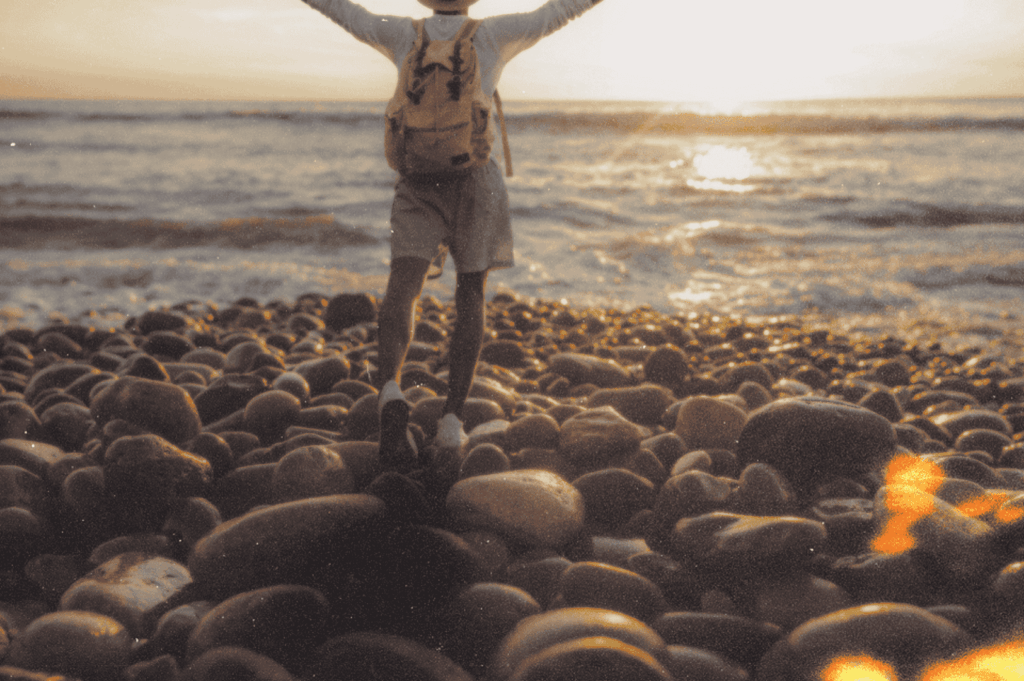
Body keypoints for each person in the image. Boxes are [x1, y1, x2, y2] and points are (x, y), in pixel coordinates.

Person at [299, 0, 605, 468]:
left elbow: (344, 11)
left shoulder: (404, 35)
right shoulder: (494, 34)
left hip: (418, 179)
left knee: (402, 288)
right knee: (470, 295)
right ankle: (451, 422)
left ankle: (390, 390)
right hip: (475, 180)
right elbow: (560, 11)